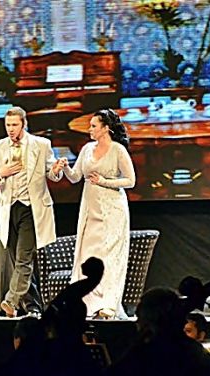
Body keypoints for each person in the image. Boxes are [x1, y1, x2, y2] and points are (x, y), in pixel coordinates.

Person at [0, 106, 64, 317]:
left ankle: (11, 301)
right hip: (9, 209)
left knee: (23, 258)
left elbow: (51, 173)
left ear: (23, 124)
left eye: (14, 125)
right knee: (19, 263)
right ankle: (33, 307)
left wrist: (56, 170)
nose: (10, 129)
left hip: (31, 208)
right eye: (8, 125)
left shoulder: (41, 144)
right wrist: (2, 172)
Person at [58, 108, 135, 319]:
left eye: (93, 126)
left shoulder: (118, 150)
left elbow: (130, 181)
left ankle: (108, 305)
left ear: (106, 128)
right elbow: (75, 177)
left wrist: (104, 181)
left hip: (113, 210)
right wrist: (65, 167)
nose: (90, 130)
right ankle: (85, 304)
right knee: (88, 255)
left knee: (110, 257)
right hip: (90, 210)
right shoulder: (87, 149)